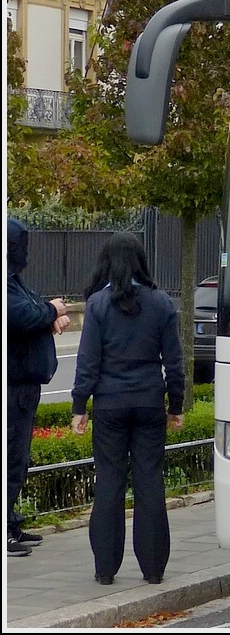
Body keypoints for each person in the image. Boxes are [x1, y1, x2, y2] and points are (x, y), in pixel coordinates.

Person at [70, 232, 185, 586]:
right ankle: (153, 568)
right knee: (150, 481)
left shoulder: (98, 305)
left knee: (109, 481)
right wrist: (176, 405)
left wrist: (79, 405)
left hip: (110, 405)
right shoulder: (161, 303)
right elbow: (174, 361)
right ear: (141, 262)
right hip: (149, 402)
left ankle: (105, 568)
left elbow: (88, 360)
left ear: (107, 263)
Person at [6, 217, 71, 558]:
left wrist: (50, 315)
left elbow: (31, 309)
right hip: (12, 385)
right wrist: (50, 310)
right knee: (9, 456)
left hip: (24, 385)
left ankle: (10, 522)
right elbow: (19, 315)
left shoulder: (14, 280)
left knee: (18, 459)